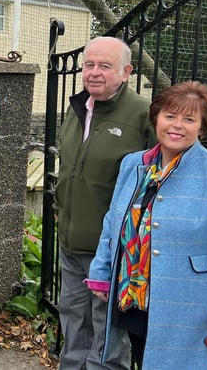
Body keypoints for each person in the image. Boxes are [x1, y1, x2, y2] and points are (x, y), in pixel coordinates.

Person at [87, 81, 207, 368]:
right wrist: (101, 271)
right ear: (156, 119)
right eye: (170, 116)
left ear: (201, 127)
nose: (177, 125)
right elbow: (113, 222)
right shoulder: (133, 165)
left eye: (189, 119)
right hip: (136, 303)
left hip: (192, 313)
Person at [55, 36, 156, 369]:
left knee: (109, 339)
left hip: (113, 250)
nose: (93, 73)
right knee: (72, 325)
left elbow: (158, 181)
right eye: (89, 65)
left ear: (126, 72)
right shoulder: (78, 107)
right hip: (70, 244)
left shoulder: (145, 116)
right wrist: (59, 211)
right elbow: (68, 168)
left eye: (104, 66)